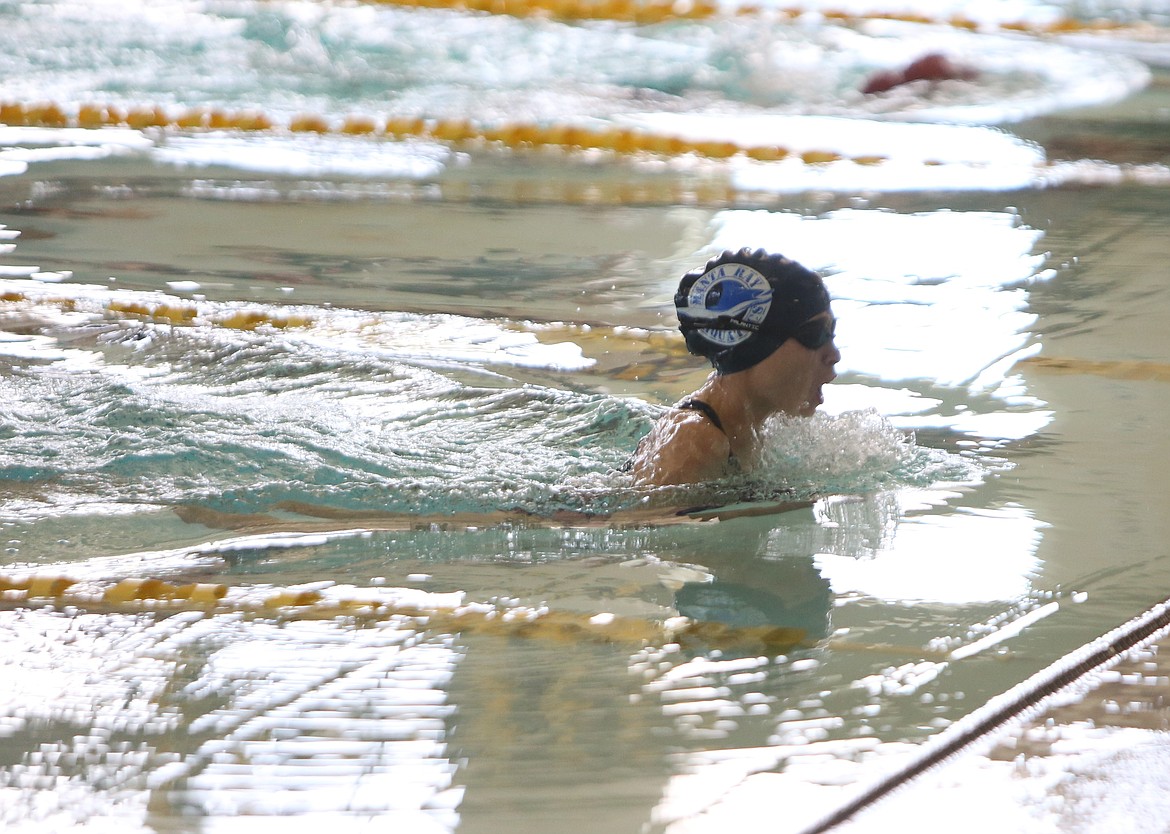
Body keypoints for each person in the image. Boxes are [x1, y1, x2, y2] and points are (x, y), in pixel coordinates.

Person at [627, 248, 839, 487]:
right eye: (816, 335)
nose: (834, 355)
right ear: (756, 345)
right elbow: (635, 522)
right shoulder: (695, 439)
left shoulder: (757, 428)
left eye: (832, 334)